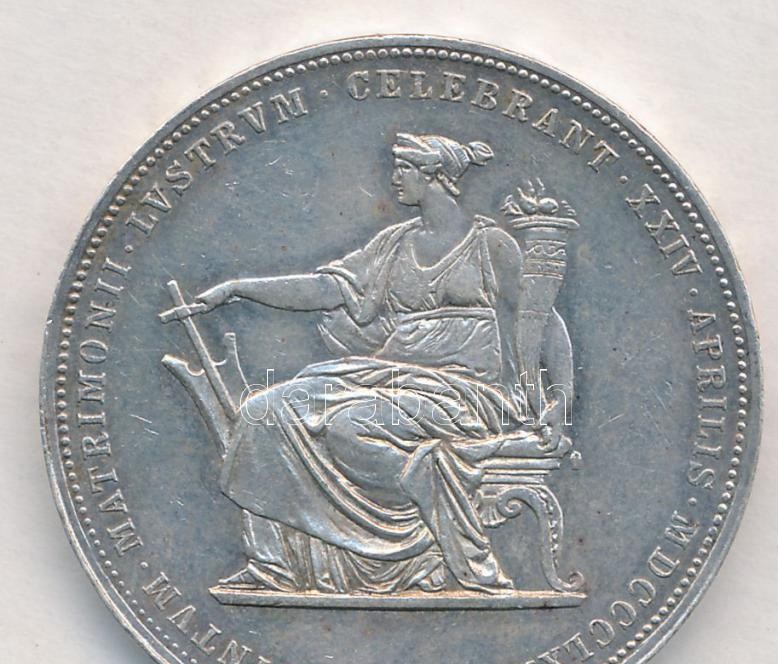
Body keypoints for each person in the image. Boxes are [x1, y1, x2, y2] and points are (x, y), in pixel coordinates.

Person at [196, 132, 541, 595]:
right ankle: (272, 565)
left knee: (348, 427)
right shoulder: (393, 243)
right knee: (265, 410)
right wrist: (239, 289)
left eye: (404, 169)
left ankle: (425, 487)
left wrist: (554, 400)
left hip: (463, 391)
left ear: (434, 176)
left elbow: (541, 320)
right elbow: (325, 289)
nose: (394, 178)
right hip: (391, 376)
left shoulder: (491, 244)